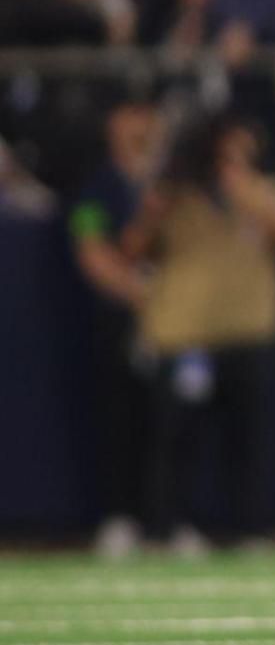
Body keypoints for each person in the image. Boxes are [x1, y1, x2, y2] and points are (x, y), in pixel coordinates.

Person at [123, 114, 275, 555]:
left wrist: (242, 188)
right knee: (176, 437)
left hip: (248, 330)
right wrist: (156, 209)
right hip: (186, 334)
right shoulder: (174, 194)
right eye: (227, 151)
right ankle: (169, 527)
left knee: (249, 441)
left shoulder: (265, 190)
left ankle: (251, 529)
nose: (235, 159)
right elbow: (132, 247)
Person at [68, 100, 160, 558]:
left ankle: (165, 519)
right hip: (117, 322)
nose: (142, 126)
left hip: (171, 325)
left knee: (169, 422)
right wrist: (139, 294)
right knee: (117, 419)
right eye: (131, 116)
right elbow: (91, 249)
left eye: (148, 116)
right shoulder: (98, 186)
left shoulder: (169, 183)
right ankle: (119, 517)